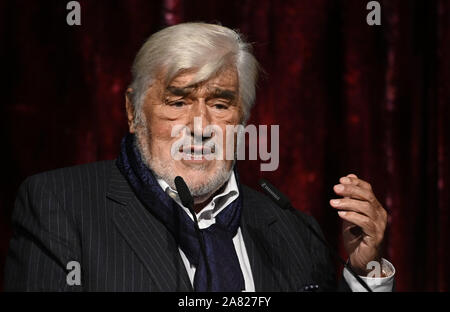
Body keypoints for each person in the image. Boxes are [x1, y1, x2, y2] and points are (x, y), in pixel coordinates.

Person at [4, 22, 394, 292]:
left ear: (242, 119)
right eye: (178, 101)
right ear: (132, 112)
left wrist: (364, 271)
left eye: (221, 104)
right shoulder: (60, 205)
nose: (200, 125)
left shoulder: (296, 231)